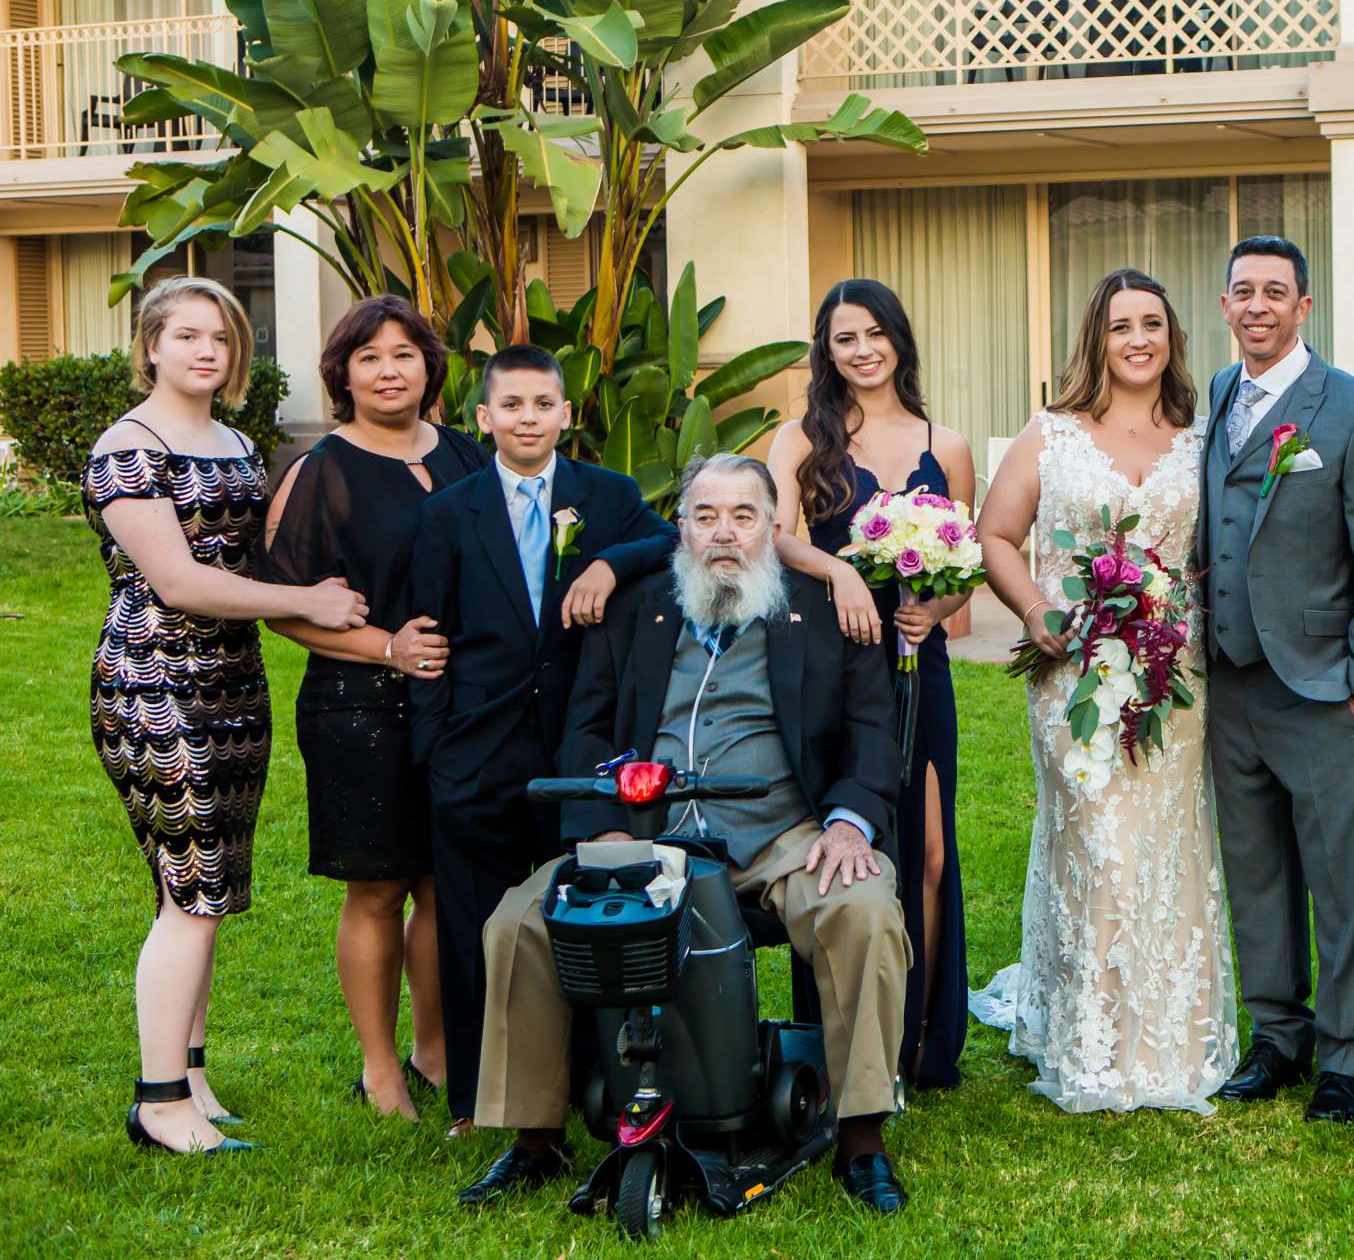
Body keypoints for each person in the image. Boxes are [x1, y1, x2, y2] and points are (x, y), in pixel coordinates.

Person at [470, 454, 914, 1214]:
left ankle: (861, 1139)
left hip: (785, 837)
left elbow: (875, 736)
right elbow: (585, 729)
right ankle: (532, 1141)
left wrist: (848, 826)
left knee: (864, 909)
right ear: (680, 530)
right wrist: (605, 825)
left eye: (743, 516)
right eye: (705, 516)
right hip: (647, 834)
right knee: (520, 921)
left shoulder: (826, 611)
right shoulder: (639, 609)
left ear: (773, 529)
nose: (724, 534)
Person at [85, 276, 369, 1154]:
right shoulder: (126, 448)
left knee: (201, 887)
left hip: (232, 683)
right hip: (155, 678)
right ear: (151, 346)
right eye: (189, 336)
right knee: (192, 894)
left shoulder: (236, 440)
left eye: (222, 338)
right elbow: (178, 581)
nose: (208, 351)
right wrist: (305, 603)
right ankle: (159, 1102)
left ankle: (193, 1076)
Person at [971, 268, 1238, 1113]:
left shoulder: (1205, 436)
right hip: (1074, 671)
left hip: (1177, 677)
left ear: (1173, 336)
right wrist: (1035, 606)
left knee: (1169, 839)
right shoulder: (1052, 433)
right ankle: (1087, 1037)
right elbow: (998, 534)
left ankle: (1175, 1031)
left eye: (1152, 323)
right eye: (1121, 325)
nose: (1137, 339)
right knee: (1094, 835)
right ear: (1097, 337)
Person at [410, 345, 673, 1142]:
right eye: (512, 405)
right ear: (483, 419)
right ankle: (473, 1099)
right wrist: (436, 750)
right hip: (476, 749)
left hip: (580, 746)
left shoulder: (610, 495)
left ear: (567, 414)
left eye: (543, 404)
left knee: (588, 917)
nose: (529, 418)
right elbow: (429, 635)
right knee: (473, 926)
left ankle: (595, 1080)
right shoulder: (447, 513)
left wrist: (603, 563)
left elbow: (671, 540)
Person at [1200, 237, 1354, 1124]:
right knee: (1254, 870)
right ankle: (1277, 1037)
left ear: (1304, 307)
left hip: (1321, 685)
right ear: (1225, 305)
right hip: (1228, 681)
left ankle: (1349, 1056)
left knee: (1337, 877)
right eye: (1242, 291)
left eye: (1274, 292)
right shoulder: (1217, 396)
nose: (1257, 306)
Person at [257, 296, 485, 1120]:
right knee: (380, 888)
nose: (389, 370)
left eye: (405, 354)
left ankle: (436, 1048)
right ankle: (380, 1068)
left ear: (430, 367)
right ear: (343, 374)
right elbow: (280, 604)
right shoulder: (322, 469)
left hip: (461, 706)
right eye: (369, 357)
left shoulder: (466, 454)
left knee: (442, 881)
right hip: (361, 705)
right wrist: (386, 647)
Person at [765, 280, 975, 1091]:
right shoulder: (798, 438)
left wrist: (938, 607)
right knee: (844, 851)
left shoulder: (943, 442)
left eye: (875, 334)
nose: (862, 351)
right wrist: (843, 575)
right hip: (831, 663)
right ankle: (844, 1037)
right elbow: (776, 538)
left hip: (920, 664)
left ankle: (917, 1035)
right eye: (844, 337)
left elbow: (966, 563)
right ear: (827, 350)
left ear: (899, 341)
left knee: (923, 851)